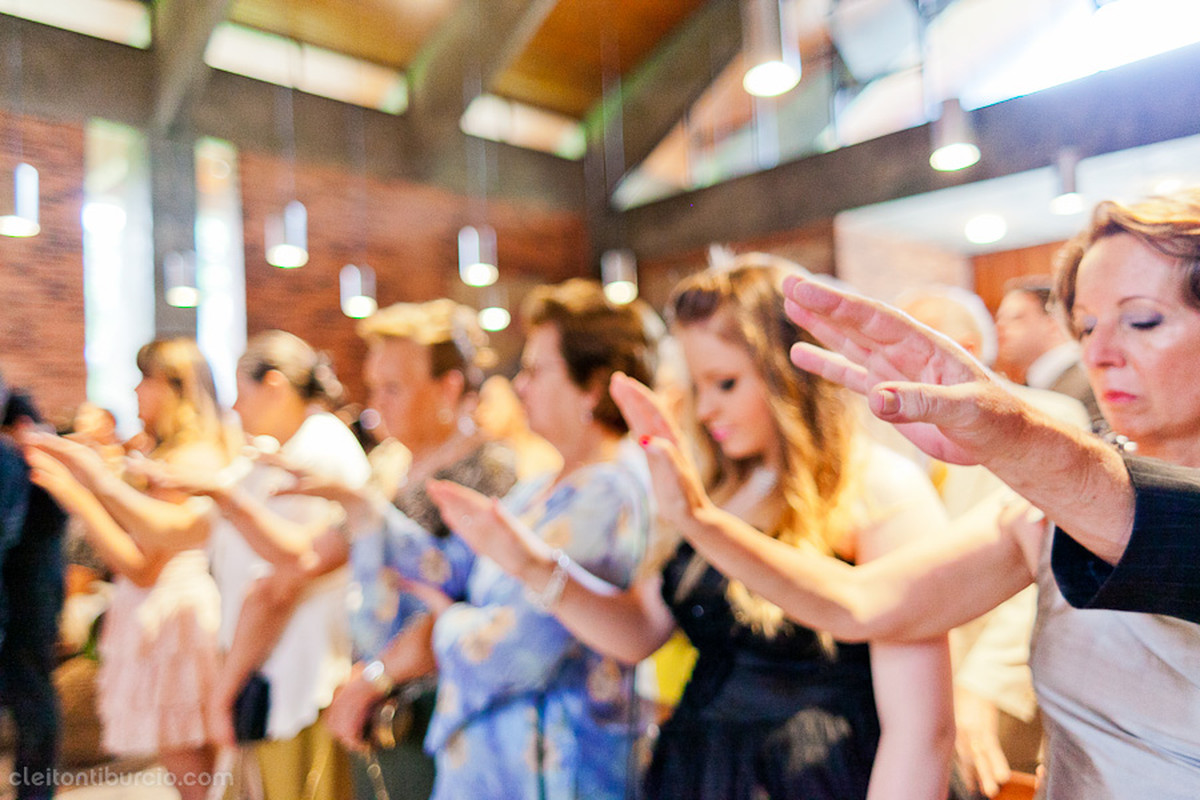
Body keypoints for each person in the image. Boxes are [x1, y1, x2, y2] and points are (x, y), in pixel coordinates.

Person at [622, 192, 1200, 797]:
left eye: (1142, 320)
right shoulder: (1035, 514)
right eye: (1084, 326)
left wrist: (1008, 432)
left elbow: (1145, 520)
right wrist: (697, 518)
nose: (1100, 353)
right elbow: (863, 602)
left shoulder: (1059, 496)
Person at [430, 259, 955, 800]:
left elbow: (923, 728)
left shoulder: (880, 491)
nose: (706, 410)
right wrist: (529, 563)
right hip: (701, 769)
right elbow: (638, 631)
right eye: (697, 386)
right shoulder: (719, 490)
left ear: (790, 375)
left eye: (725, 383)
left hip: (829, 775)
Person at [331, 279, 658, 800]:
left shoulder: (607, 491)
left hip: (551, 768)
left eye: (535, 370)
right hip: (497, 764)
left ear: (592, 387)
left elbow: (512, 650)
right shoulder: (541, 485)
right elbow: (455, 566)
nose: (519, 386)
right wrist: (361, 508)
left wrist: (448, 619)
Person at [896, 287, 1090, 797]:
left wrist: (981, 686)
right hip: (918, 681)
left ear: (961, 346)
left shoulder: (1047, 416)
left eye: (905, 348)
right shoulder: (895, 430)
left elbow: (1043, 568)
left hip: (1000, 681)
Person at [22, 339, 231, 800]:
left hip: (173, 612)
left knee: (192, 769)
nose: (136, 392)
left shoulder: (188, 459)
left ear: (175, 388)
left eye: (145, 380)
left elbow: (140, 565)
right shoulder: (173, 453)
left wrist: (77, 492)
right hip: (163, 607)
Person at [0, 376, 67, 800]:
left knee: (34, 706)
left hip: (27, 604)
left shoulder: (28, 464)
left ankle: (35, 793)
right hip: (35, 599)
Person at [994, 276, 1103, 427]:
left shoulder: (1090, 384)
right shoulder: (1029, 386)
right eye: (999, 319)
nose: (1000, 327)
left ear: (1053, 323)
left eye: (1016, 318)